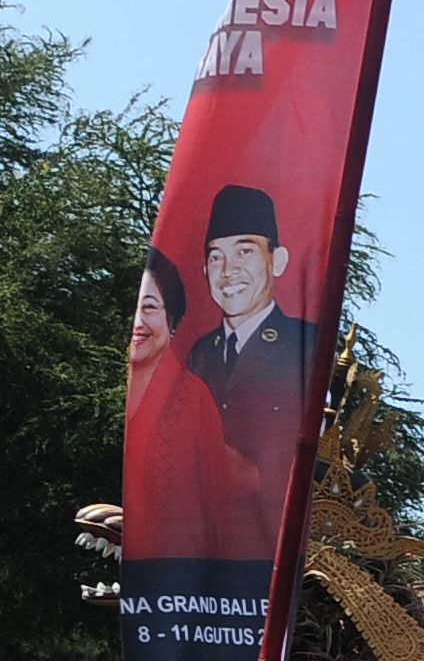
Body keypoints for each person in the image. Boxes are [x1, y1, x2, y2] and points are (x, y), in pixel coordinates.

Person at [118, 246, 271, 564]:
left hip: (177, 569)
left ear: (172, 320)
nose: (139, 322)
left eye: (150, 307)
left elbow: (208, 506)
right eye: (136, 310)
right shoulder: (122, 388)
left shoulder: (192, 399)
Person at [185, 182, 318, 463]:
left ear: (277, 261)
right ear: (205, 271)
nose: (228, 270)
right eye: (216, 257)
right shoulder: (199, 354)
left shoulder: (306, 343)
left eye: (244, 251)